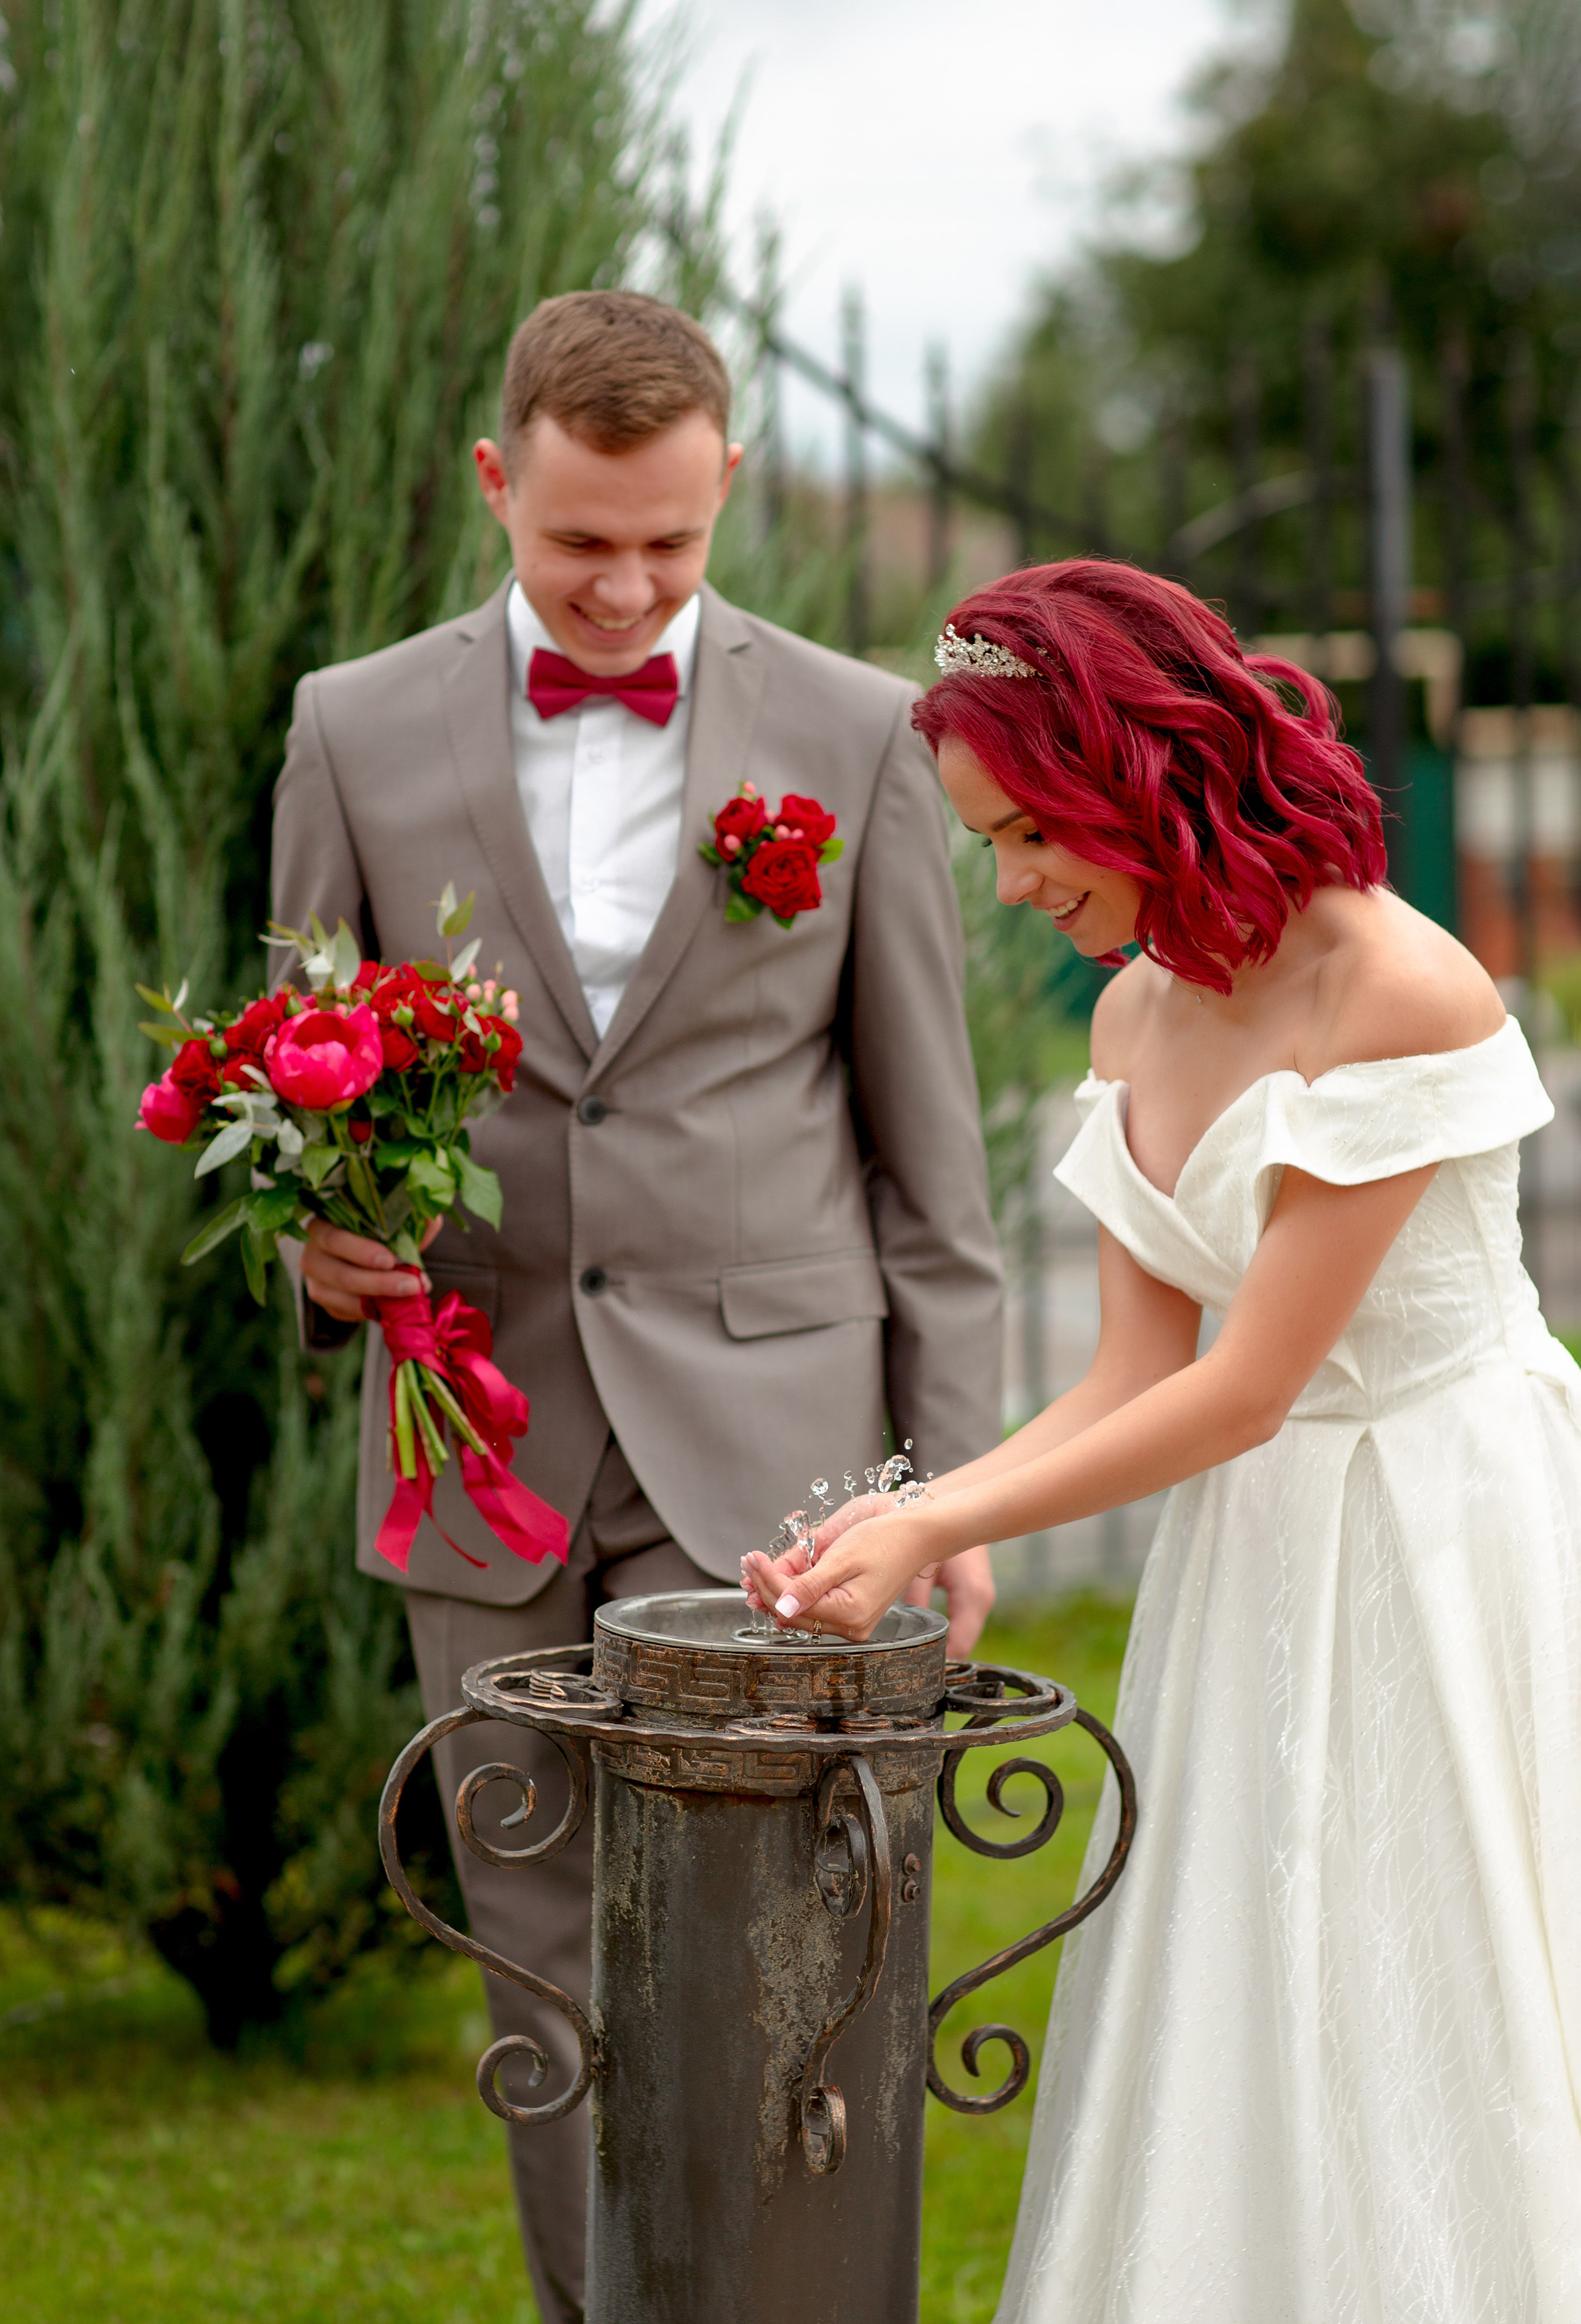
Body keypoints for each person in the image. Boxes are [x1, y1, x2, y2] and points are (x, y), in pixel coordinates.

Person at [269, 291, 1003, 2324]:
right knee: (540, 1961)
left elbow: (932, 1161)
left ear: (730, 486)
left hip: (784, 1456)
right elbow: (302, 1086)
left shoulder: (857, 730)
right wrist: (320, 1248)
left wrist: (954, 1489)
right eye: (578, 538)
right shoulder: (351, 725)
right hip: (476, 1438)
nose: (620, 586)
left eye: (669, 542)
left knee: (796, 1946)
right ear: (495, 481)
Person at [748, 560, 1581, 2321]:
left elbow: (1248, 1382)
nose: (1012, 882)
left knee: (1428, 1962)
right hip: (1257, 1537)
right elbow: (1136, 1368)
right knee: (1253, 1963)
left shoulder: (1394, 987)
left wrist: (931, 1529)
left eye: (1028, 831)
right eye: (987, 843)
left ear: (1137, 769)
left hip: (1442, 1524)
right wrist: (910, 1512)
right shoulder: (1135, 1013)